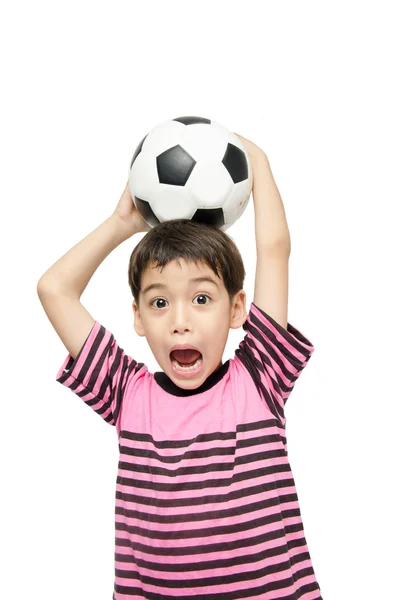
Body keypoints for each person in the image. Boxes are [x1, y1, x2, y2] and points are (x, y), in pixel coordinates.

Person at [37, 134, 322, 599]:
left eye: (202, 299)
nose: (180, 322)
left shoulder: (259, 377)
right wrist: (120, 223)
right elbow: (55, 289)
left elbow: (274, 250)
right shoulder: (126, 392)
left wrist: (261, 164)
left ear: (236, 311)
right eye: (160, 302)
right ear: (138, 318)